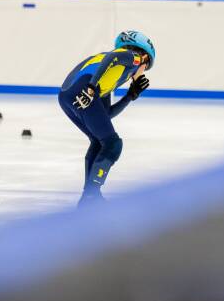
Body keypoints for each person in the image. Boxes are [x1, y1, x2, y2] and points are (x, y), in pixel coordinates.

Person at [58, 31, 155, 207]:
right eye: (146, 67)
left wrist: (129, 96)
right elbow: (112, 58)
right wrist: (91, 87)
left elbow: (106, 114)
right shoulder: (135, 57)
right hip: (83, 88)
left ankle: (89, 196)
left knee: (99, 140)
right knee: (113, 144)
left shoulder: (110, 77)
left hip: (66, 96)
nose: (143, 71)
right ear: (145, 56)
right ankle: (91, 194)